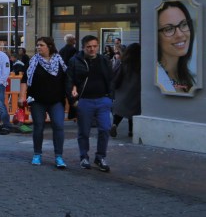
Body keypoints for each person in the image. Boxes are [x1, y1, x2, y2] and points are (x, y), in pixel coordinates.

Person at [19, 37, 71, 169]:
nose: (38, 47)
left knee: (58, 126)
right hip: (37, 100)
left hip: (56, 100)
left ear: (49, 46)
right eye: (37, 45)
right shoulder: (33, 61)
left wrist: (69, 95)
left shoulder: (59, 61)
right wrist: (21, 96)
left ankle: (59, 156)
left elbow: (67, 78)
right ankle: (37, 154)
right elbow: (25, 79)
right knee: (39, 127)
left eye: (41, 45)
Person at [67, 35, 114, 172]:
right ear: (83, 47)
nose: (92, 49)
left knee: (105, 129)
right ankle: (84, 156)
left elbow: (111, 79)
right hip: (84, 101)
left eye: (94, 46)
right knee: (84, 131)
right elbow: (69, 81)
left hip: (103, 100)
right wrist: (74, 101)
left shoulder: (104, 60)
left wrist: (110, 98)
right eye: (89, 47)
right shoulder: (75, 61)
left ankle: (100, 157)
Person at [156, 0, 197, 93]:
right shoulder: (154, 75)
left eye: (184, 24)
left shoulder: (185, 73)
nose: (180, 34)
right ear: (156, 37)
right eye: (169, 29)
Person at [112, 43, 141, 138]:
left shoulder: (123, 62)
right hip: (136, 90)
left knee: (121, 110)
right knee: (134, 111)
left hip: (122, 90)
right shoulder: (141, 63)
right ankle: (131, 131)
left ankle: (114, 124)